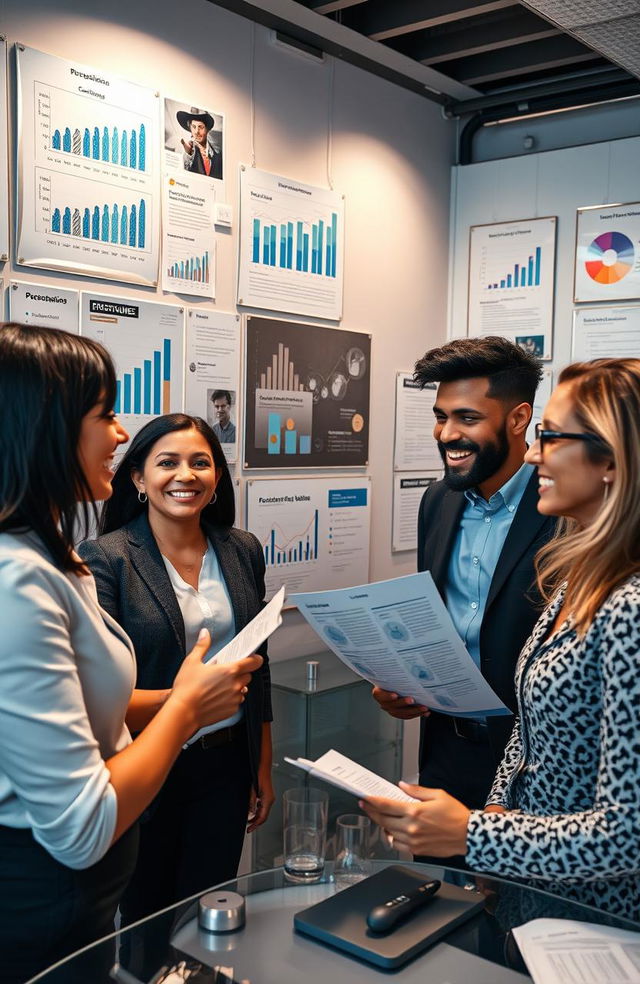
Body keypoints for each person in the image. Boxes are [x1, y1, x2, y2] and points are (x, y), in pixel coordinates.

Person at [0, 324, 261, 983]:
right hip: (44, 904)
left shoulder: (52, 558)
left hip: (81, 907)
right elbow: (82, 827)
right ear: (46, 427)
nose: (120, 434)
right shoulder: (20, 581)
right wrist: (187, 707)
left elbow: (98, 706)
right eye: (106, 415)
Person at [363, 358, 640, 919]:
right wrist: (492, 811)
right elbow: (532, 728)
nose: (537, 453)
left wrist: (474, 833)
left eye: (551, 436)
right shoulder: (577, 577)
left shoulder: (630, 607)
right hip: (526, 875)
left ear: (611, 460)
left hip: (592, 911)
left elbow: (627, 832)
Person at [78, 414, 273, 950]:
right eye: (167, 462)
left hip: (227, 765)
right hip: (145, 765)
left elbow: (259, 662)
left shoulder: (241, 549)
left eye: (200, 462)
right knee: (147, 925)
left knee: (211, 916)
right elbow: (102, 697)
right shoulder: (107, 558)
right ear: (138, 479)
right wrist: (186, 703)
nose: (185, 474)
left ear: (216, 479)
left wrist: (261, 764)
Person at [372, 337, 555, 865]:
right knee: (441, 909)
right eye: (440, 416)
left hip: (536, 765)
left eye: (467, 417)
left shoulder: (567, 507)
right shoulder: (438, 500)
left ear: (518, 418)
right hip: (447, 750)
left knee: (516, 925)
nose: (447, 434)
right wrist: (404, 684)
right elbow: (433, 624)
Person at [177, 108, 222, 179]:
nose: (196, 132)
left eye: (201, 127)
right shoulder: (187, 152)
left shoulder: (218, 153)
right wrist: (189, 154)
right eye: (194, 127)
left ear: (207, 130)